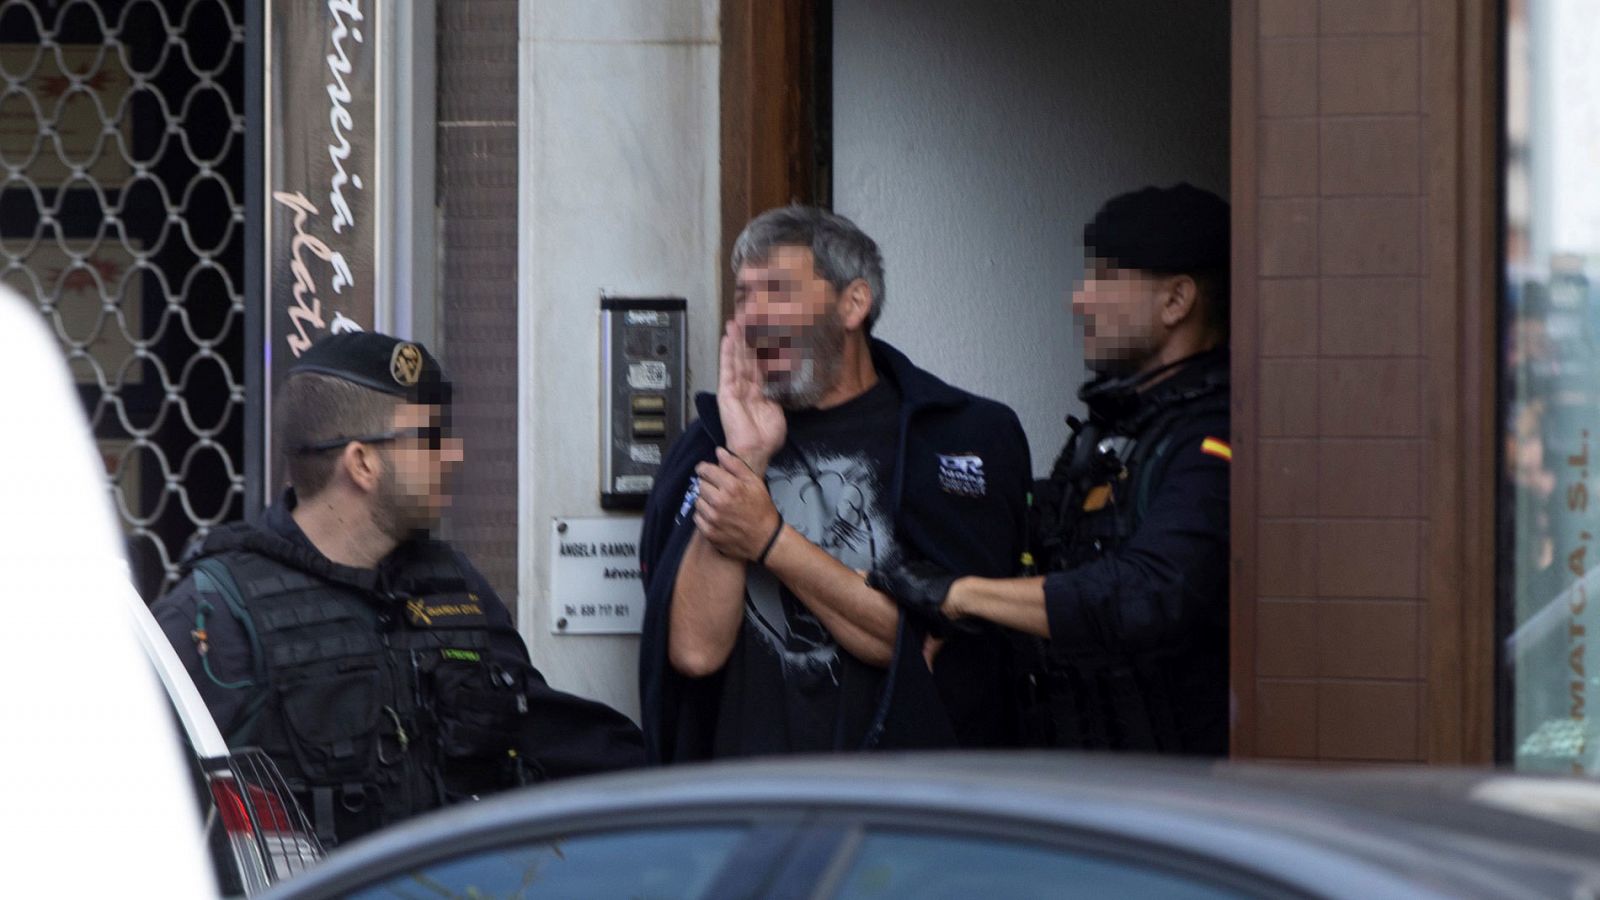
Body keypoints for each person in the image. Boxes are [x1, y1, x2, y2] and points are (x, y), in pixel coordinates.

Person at [153, 332, 643, 846]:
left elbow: (548, 735)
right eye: (430, 439)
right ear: (362, 462)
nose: (453, 454)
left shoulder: (452, 586)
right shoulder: (218, 613)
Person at [637, 205, 1033, 763]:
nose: (753, 316)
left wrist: (770, 539)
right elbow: (696, 653)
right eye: (744, 296)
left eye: (777, 290)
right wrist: (745, 458)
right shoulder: (705, 445)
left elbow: (923, 645)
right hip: (744, 807)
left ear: (854, 303)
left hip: (905, 809)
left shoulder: (957, 437)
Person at [870, 183, 1232, 754]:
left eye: (1105, 280)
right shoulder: (1114, 430)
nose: (1079, 301)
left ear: (1176, 301)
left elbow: (1150, 590)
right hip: (1084, 776)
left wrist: (961, 594)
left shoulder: (1215, 436)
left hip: (1178, 794)